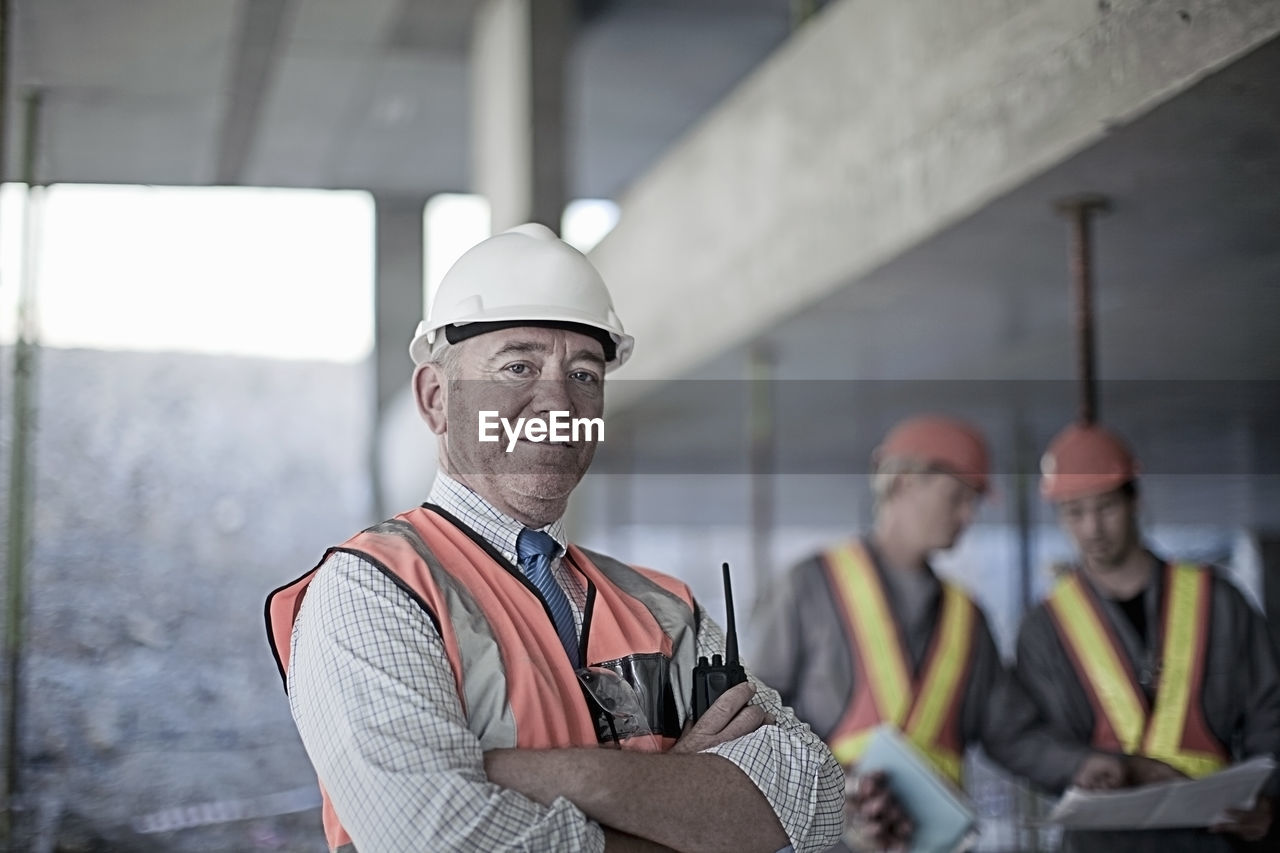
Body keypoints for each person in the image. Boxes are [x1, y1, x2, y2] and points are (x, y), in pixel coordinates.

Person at [265, 223, 844, 853]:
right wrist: (687, 802)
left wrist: (561, 775)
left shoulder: (663, 608)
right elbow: (437, 839)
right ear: (436, 399)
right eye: (518, 366)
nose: (558, 402)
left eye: (585, 376)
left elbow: (813, 802)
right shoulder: (373, 592)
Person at [751, 415, 1125, 851]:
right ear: (905, 483)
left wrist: (1079, 767)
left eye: (973, 503)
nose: (967, 516)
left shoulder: (968, 619)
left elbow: (1009, 733)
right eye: (957, 498)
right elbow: (755, 719)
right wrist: (836, 786)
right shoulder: (809, 587)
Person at [1014, 421, 1280, 852]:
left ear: (1135, 499)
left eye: (1105, 508)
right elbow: (1039, 743)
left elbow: (1270, 711)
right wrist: (1092, 768)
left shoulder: (1218, 601)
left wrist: (1268, 797)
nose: (1092, 529)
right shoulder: (1043, 630)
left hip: (1212, 833)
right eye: (1074, 513)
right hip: (1101, 841)